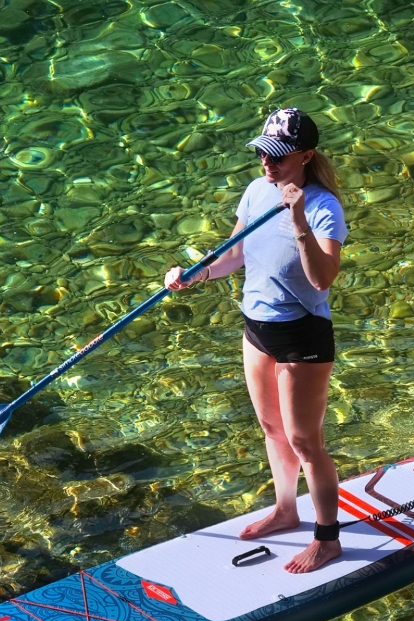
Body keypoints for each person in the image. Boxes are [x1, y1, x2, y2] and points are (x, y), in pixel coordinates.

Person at [164, 108, 347, 573]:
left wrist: (299, 218)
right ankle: (287, 510)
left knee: (306, 441)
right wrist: (196, 274)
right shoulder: (255, 191)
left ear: (305, 156)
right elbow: (235, 255)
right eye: (264, 153)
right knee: (271, 429)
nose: (268, 164)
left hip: (301, 334)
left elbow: (322, 279)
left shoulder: (324, 207)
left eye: (279, 157)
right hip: (257, 328)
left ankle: (327, 539)